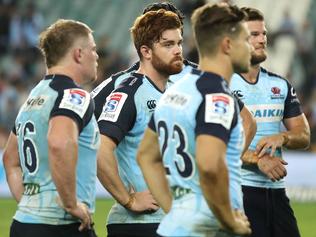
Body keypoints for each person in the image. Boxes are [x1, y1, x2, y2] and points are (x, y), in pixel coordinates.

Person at [137, 3, 252, 237]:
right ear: (228, 45)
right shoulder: (216, 96)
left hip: (176, 228)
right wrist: (230, 221)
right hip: (209, 229)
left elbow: (146, 156)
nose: (250, 48)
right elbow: (209, 166)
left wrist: (175, 211)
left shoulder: (175, 91)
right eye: (246, 39)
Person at [91, 1, 256, 153]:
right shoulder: (122, 85)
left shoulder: (202, 77)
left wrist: (227, 164)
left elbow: (247, 122)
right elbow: (83, 130)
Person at [2, 19, 100, 237]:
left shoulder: (33, 97)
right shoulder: (74, 95)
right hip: (61, 225)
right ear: (78, 54)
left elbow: (10, 160)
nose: (96, 56)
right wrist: (71, 204)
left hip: (24, 222)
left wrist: (30, 204)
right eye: (93, 49)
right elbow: (59, 142)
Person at [96, 10, 183, 237]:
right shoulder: (129, 91)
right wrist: (129, 199)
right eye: (168, 44)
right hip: (141, 225)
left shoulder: (176, 90)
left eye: (179, 43)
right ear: (145, 51)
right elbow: (101, 148)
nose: (178, 50)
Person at [230, 7, 311, 237]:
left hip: (276, 193)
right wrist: (257, 160)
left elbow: (304, 135)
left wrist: (282, 136)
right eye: (253, 35)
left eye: (263, 33)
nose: (262, 39)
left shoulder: (280, 85)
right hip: (238, 193)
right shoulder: (221, 85)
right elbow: (216, 147)